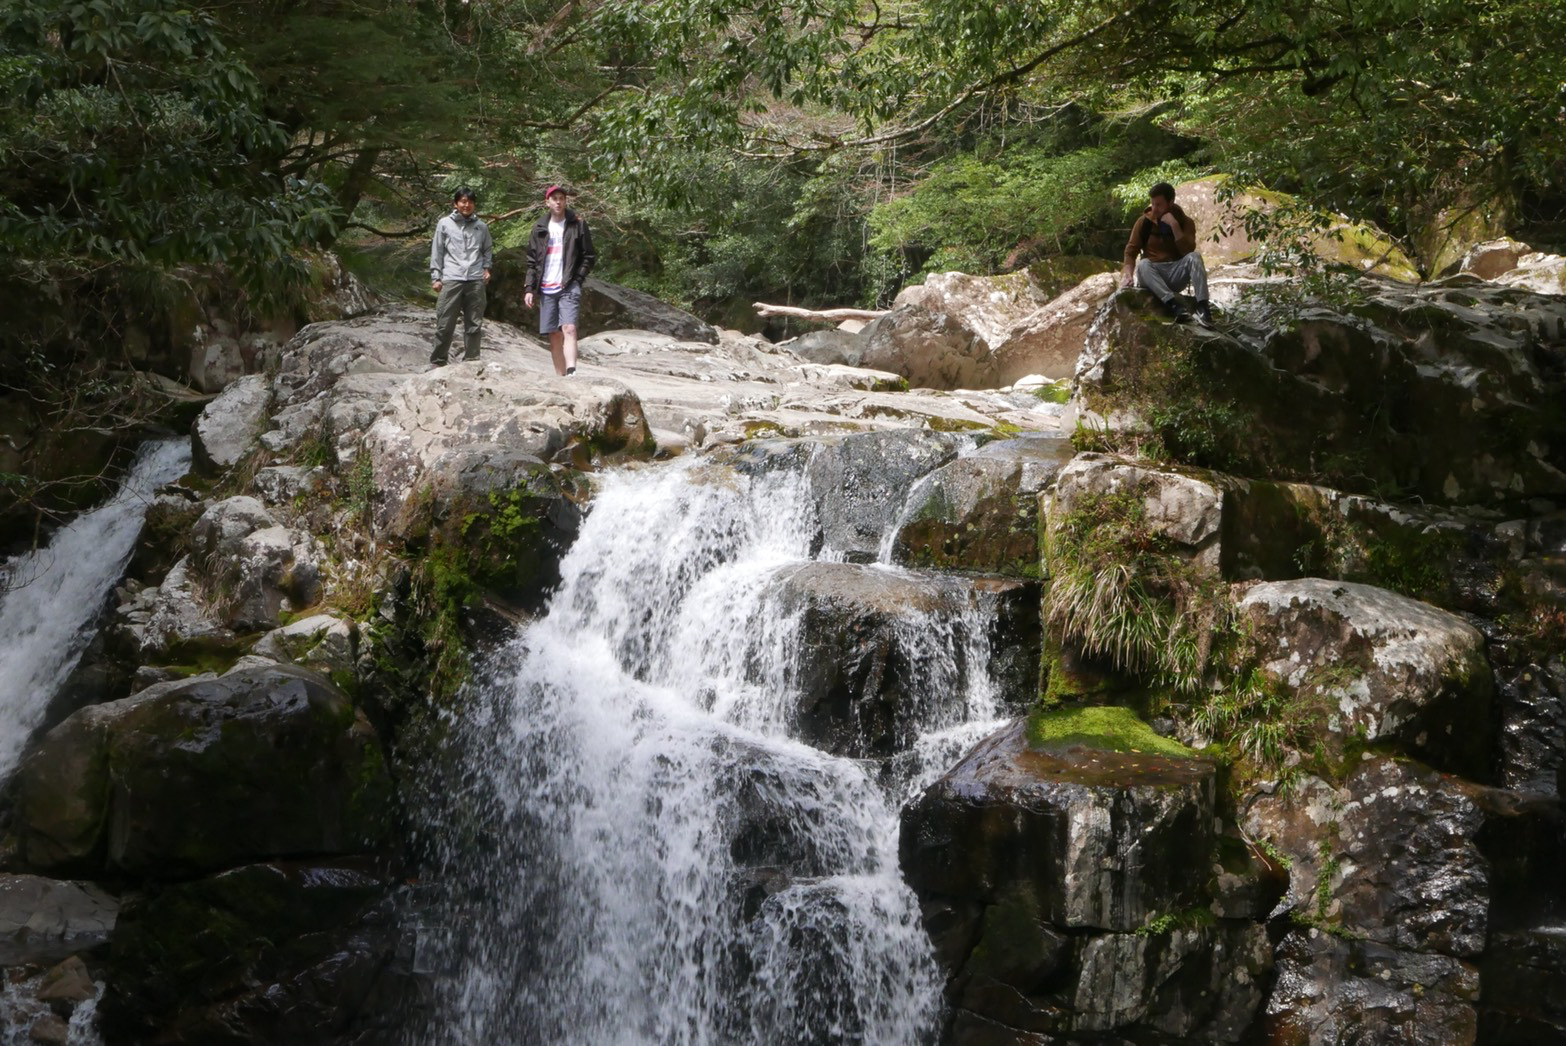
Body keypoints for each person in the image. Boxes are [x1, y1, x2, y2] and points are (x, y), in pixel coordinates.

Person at [524, 184, 596, 376]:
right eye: (554, 198)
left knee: (569, 328)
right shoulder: (539, 227)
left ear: (565, 201)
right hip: (546, 287)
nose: (558, 201)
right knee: (554, 335)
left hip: (568, 285)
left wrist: (577, 279)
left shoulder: (577, 224)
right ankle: (560, 377)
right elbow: (532, 261)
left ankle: (572, 371)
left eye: (561, 198)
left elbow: (589, 256)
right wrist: (529, 288)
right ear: (547, 202)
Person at [1121, 181, 1212, 326]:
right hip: (1153, 275)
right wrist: (1127, 274)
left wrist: (1175, 226)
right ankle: (1173, 305)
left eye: (1159, 205)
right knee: (1143, 264)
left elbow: (1187, 251)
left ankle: (1203, 307)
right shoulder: (1143, 222)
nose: (1154, 209)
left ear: (1170, 202)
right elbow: (1130, 252)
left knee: (1195, 257)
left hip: (1175, 273)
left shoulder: (1185, 222)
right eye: (1153, 204)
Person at [429, 187, 494, 365]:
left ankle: (472, 360)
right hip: (452, 278)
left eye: (470, 202)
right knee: (445, 323)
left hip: (475, 279)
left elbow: (487, 249)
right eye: (463, 201)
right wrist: (436, 277)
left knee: (474, 323)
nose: (467, 205)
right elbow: (438, 251)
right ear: (456, 204)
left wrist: (486, 268)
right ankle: (438, 360)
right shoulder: (444, 224)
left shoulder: (481, 227)